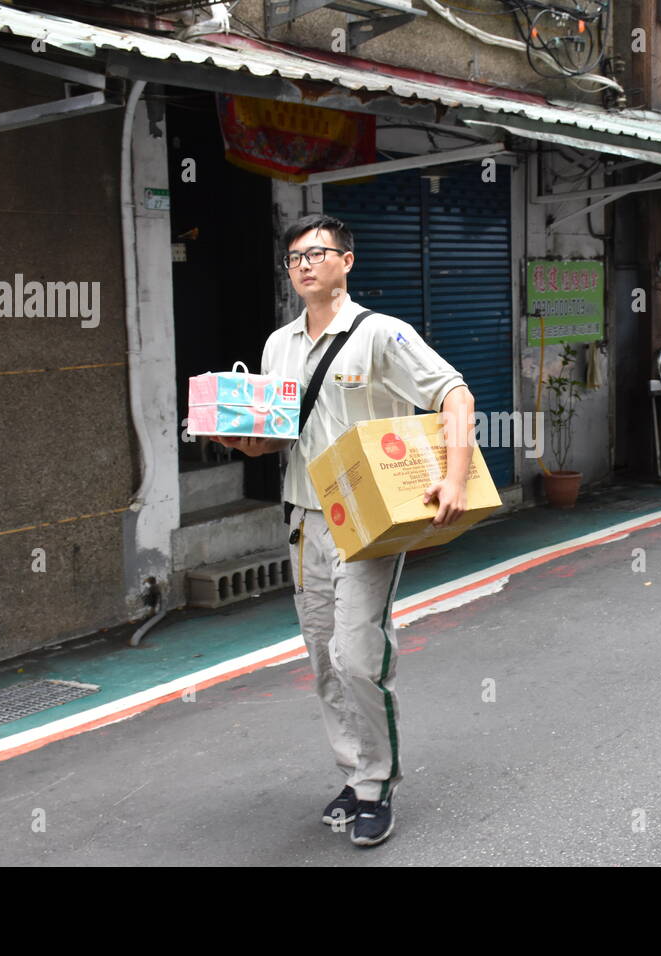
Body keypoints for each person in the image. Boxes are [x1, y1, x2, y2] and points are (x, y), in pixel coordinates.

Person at [212, 214, 475, 847]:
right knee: (323, 659)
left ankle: (379, 782)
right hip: (303, 521)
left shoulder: (382, 334)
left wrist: (457, 477)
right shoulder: (277, 346)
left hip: (367, 520)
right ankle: (355, 775)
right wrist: (231, 437)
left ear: (347, 261)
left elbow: (454, 392)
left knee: (358, 655)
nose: (304, 265)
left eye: (317, 253)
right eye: (294, 258)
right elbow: (271, 439)